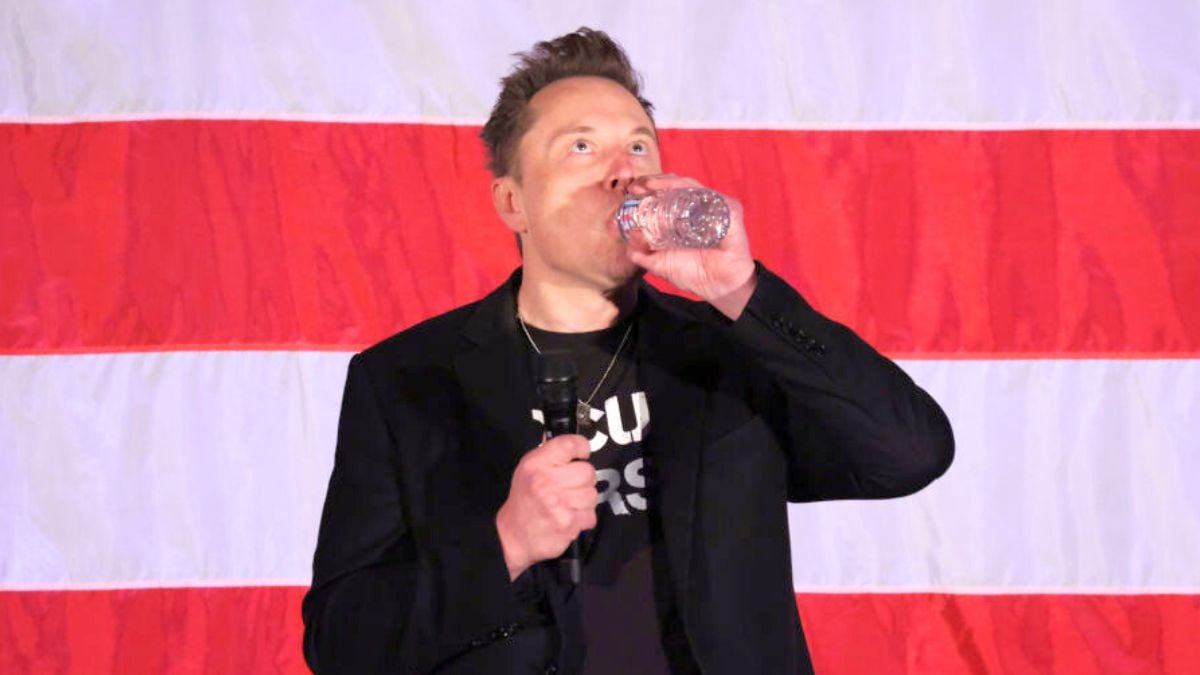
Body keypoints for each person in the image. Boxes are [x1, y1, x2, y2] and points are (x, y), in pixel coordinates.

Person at [302, 27, 954, 674]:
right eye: (581, 146)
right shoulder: (405, 380)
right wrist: (505, 544)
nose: (624, 171)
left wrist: (740, 290)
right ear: (513, 201)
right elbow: (341, 644)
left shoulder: (730, 352)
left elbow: (910, 453)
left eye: (638, 146)